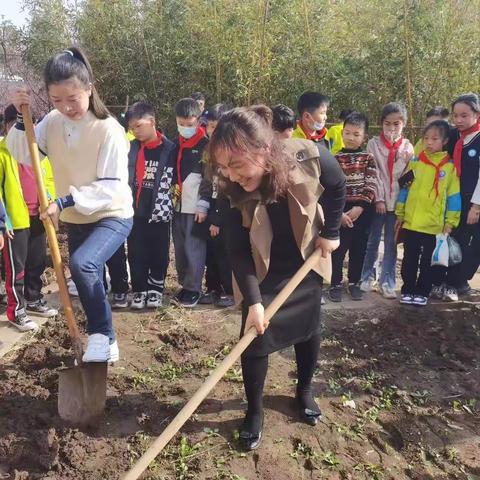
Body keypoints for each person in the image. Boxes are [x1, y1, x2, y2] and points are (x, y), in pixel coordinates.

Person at [209, 105, 345, 451]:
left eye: (236, 164)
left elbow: (338, 183)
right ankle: (254, 411)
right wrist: (254, 302)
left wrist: (331, 232)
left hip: (305, 258)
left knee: (309, 328)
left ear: (264, 149)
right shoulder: (229, 188)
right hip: (262, 267)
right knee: (254, 340)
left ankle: (304, 391)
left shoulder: (308, 157)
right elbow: (237, 251)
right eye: (223, 166)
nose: (231, 174)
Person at [8, 46, 133, 362]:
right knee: (83, 273)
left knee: (83, 265)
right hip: (76, 218)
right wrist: (23, 119)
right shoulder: (52, 122)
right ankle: (102, 340)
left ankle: (103, 336)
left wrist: (62, 200)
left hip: (111, 214)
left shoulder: (110, 130)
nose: (66, 107)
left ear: (89, 89)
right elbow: (25, 154)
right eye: (56, 100)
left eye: (73, 98)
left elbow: (111, 187)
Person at [0, 104, 58, 331]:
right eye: (17, 124)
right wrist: (3, 222)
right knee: (17, 268)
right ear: (8, 125)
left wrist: (51, 201)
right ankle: (16, 310)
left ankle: (33, 298)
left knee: (37, 262)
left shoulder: (39, 151)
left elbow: (50, 180)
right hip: (16, 220)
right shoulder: (3, 151)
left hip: (39, 215)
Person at [396, 120, 460, 306]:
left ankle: (422, 291)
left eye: (434, 138)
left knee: (427, 263)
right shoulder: (416, 163)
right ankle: (407, 289)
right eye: (426, 138)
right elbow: (404, 190)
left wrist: (450, 221)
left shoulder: (449, 168)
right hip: (412, 222)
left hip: (434, 226)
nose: (429, 142)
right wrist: (400, 213)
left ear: (445, 140)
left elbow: (454, 198)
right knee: (409, 259)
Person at [360, 102, 414, 299]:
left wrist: (401, 205)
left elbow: (408, 180)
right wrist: (379, 200)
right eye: (387, 124)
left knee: (392, 244)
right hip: (378, 202)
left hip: (397, 205)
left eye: (396, 124)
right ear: (381, 124)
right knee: (373, 240)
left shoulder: (408, 148)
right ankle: (367, 276)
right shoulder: (373, 144)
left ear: (404, 125)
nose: (391, 129)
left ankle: (388, 282)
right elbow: (374, 174)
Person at [125, 101, 175, 309]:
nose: (135, 131)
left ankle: (155, 289)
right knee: (136, 252)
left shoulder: (170, 149)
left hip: (159, 212)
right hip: (134, 211)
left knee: (159, 251)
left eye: (138, 125)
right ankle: (139, 290)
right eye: (132, 128)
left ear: (152, 121)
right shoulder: (131, 148)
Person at [433, 93, 480, 301]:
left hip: (474, 201)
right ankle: (450, 282)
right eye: (456, 116)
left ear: (476, 115)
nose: (459, 120)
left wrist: (476, 206)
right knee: (454, 240)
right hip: (454, 199)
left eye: (464, 116)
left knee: (474, 243)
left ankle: (460, 279)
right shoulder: (453, 137)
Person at [329, 112, 376, 302]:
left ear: (364, 137)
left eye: (356, 134)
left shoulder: (368, 158)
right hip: (341, 211)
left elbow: (372, 183)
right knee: (338, 250)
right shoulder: (335, 158)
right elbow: (330, 188)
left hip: (363, 211)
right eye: (347, 133)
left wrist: (361, 207)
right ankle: (335, 284)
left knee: (359, 249)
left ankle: (354, 282)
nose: (350, 137)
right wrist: (339, 213)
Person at [172, 98, 210, 307]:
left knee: (193, 247)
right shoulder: (174, 143)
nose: (186, 128)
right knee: (179, 248)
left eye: (190, 124)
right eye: (182, 124)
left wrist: (203, 204)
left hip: (195, 208)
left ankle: (194, 288)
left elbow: (209, 177)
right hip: (176, 205)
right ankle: (185, 284)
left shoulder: (205, 146)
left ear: (198, 121)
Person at [199, 103, 234, 307]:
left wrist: (218, 219)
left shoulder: (234, 151)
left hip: (228, 209)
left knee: (227, 252)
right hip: (212, 206)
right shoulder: (209, 149)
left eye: (216, 126)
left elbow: (229, 189)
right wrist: (203, 205)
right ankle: (212, 288)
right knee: (211, 252)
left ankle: (230, 290)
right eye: (210, 126)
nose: (212, 131)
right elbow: (207, 179)